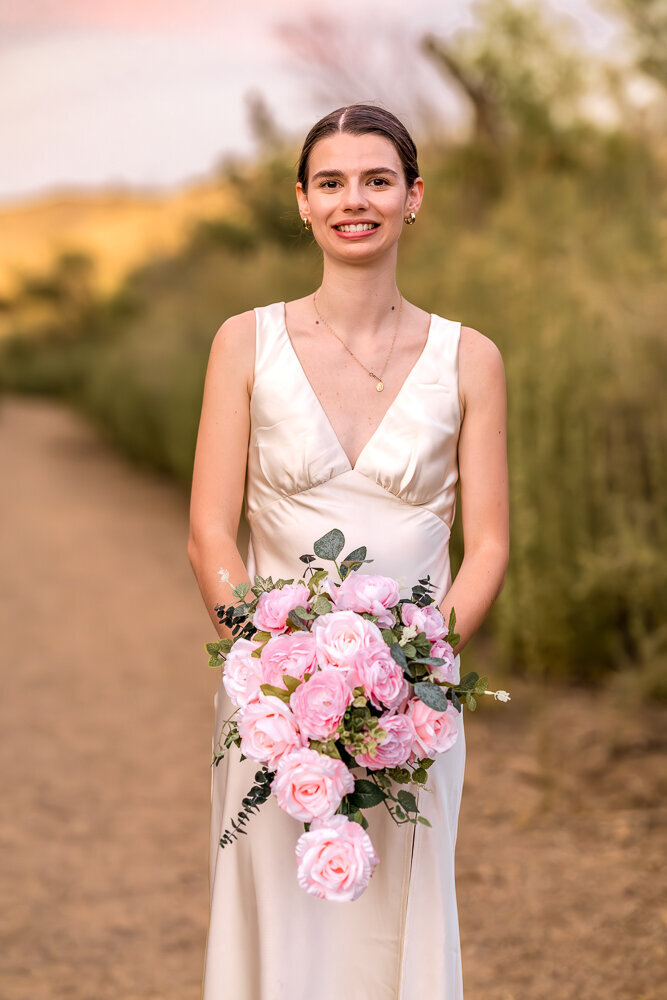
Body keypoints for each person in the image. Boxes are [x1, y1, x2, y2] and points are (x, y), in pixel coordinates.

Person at [188, 103, 509, 1000]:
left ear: (414, 198)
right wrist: (266, 672)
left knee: (396, 917)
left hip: (413, 707)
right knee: (279, 917)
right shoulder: (242, 342)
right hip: (273, 703)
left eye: (376, 180)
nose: (352, 200)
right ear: (300, 202)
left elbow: (485, 545)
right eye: (330, 182)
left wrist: (416, 673)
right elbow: (209, 530)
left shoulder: (470, 358)